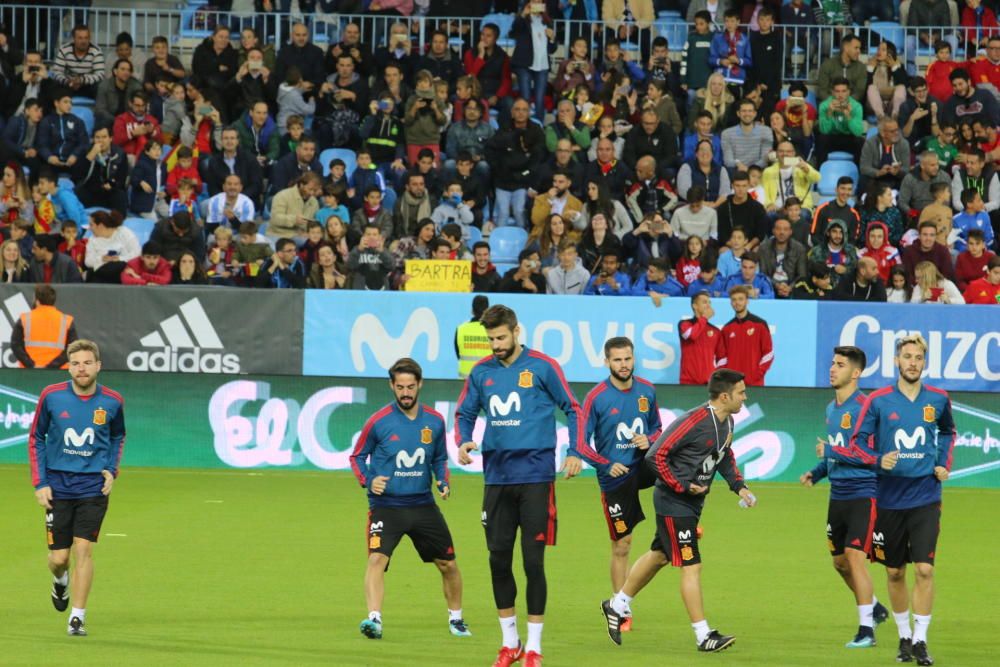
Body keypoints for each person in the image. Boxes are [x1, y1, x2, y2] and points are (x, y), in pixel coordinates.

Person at [455, 305, 588, 667]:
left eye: (500, 337)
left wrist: (575, 451)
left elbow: (573, 408)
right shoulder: (481, 372)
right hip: (496, 478)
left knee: (533, 563)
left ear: (516, 332)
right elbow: (465, 412)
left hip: (535, 478)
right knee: (498, 560)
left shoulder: (543, 367)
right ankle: (509, 643)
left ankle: (534, 647)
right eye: (491, 339)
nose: (495, 345)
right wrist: (464, 439)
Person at [601, 368, 755, 653]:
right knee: (691, 565)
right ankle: (703, 635)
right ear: (725, 396)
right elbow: (654, 455)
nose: (745, 397)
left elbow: (724, 455)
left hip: (692, 505)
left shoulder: (727, 422)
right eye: (741, 392)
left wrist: (739, 486)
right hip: (674, 502)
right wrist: (681, 486)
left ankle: (617, 604)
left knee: (659, 555)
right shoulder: (694, 421)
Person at [847, 334, 955, 666]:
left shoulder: (938, 399)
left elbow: (948, 432)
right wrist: (878, 460)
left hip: (925, 496)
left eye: (918, 358)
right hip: (888, 500)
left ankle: (921, 641)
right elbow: (857, 442)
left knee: (924, 569)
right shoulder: (878, 400)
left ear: (924, 362)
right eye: (907, 356)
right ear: (897, 360)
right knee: (895, 572)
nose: (912, 362)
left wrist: (942, 462)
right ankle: (904, 636)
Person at [349, 357, 471, 640]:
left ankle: (456, 620)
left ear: (420, 385)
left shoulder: (435, 421)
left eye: (411, 386)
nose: (405, 392)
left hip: (423, 505)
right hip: (386, 507)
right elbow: (357, 456)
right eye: (400, 386)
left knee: (449, 565)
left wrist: (443, 481)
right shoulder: (378, 422)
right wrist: (369, 480)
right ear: (392, 385)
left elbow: (439, 458)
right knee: (376, 560)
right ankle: (374, 620)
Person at [28, 339, 124, 637]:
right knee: (59, 559)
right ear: (69, 366)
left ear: (98, 366)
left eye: (87, 362)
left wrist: (111, 469)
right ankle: (60, 581)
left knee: (84, 549)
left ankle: (77, 617)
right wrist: (40, 482)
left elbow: (118, 436)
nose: (81, 369)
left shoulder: (112, 401)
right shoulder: (52, 396)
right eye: (76, 363)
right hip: (57, 487)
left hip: (93, 487)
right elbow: (36, 438)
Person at [799, 347, 891, 649]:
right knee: (839, 563)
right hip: (837, 496)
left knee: (855, 559)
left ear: (856, 373)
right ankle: (875, 607)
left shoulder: (867, 408)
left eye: (840, 364)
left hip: (864, 494)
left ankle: (867, 630)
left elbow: (870, 456)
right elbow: (836, 451)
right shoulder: (831, 409)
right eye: (832, 362)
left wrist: (831, 452)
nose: (832, 368)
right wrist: (817, 471)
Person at [578, 337, 662, 629]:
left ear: (633, 359)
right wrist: (605, 464)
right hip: (615, 475)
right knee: (622, 545)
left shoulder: (647, 391)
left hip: (643, 466)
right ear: (607, 362)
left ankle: (684, 521)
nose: (623, 365)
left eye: (627, 359)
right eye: (617, 360)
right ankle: (619, 608)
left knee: (676, 460)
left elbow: (658, 428)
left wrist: (649, 439)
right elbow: (581, 443)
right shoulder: (596, 397)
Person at [10, 285, 79, 369]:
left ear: (37, 301)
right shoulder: (66, 320)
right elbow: (72, 348)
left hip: (28, 372)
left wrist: (31, 365)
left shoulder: (24, 319)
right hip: (58, 372)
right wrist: (51, 366)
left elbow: (16, 345)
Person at [721, 285, 773, 385]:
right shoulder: (726, 328)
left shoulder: (760, 324)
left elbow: (769, 353)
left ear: (747, 301)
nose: (737, 303)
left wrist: (757, 374)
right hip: (733, 385)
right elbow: (722, 357)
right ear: (731, 303)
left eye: (741, 299)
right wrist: (727, 378)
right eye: (734, 300)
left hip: (755, 383)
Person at [678, 291, 727, 385]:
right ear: (695, 306)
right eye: (704, 302)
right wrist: (704, 318)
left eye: (709, 302)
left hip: (708, 383)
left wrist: (717, 376)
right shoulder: (684, 324)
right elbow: (692, 336)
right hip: (687, 382)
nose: (708, 305)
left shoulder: (715, 331)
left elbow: (722, 358)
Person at [50, 26, 105, 99]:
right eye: (80, 38)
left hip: (88, 85)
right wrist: (67, 82)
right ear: (74, 39)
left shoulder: (96, 51)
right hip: (69, 84)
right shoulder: (64, 50)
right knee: (52, 84)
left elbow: (100, 74)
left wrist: (82, 80)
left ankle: (99, 110)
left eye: (86, 38)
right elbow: (57, 72)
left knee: (101, 86)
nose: (84, 41)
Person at [456, 295, 490, 379]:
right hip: (487, 380)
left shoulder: (461, 329)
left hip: (465, 381)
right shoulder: (492, 330)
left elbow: (458, 354)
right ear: (488, 311)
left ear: (472, 311)